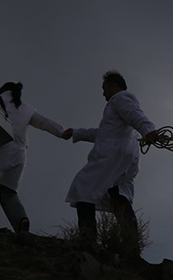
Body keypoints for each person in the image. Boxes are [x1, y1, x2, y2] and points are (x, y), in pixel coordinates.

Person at [63, 70, 159, 254]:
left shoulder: (121, 98)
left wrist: (149, 129)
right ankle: (131, 247)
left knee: (83, 188)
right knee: (119, 195)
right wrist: (77, 132)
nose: (103, 93)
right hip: (126, 156)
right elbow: (103, 133)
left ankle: (88, 241)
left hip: (112, 154)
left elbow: (135, 114)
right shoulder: (117, 106)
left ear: (114, 86)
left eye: (104, 88)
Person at [0, 82, 66, 240]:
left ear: (2, 91)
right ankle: (21, 220)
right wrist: (62, 132)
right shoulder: (27, 109)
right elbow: (44, 122)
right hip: (19, 155)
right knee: (9, 193)